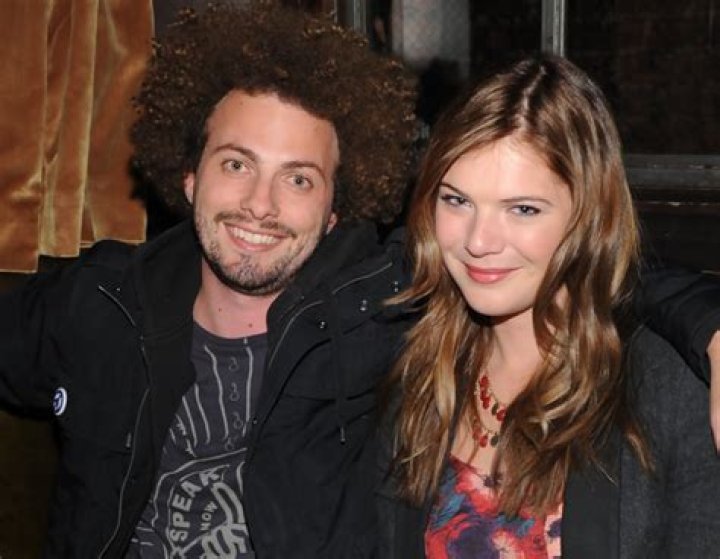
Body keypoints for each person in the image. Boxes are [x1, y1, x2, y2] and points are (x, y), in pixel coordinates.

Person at [0, 3, 718, 557]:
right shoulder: (98, 303)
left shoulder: (373, 312)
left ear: (337, 206)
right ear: (188, 175)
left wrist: (710, 325)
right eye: (236, 164)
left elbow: (597, 269)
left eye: (299, 178)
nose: (259, 204)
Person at [377, 55, 720, 558]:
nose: (478, 241)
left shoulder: (669, 390)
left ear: (587, 216)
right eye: (457, 201)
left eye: (523, 209)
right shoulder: (416, 363)